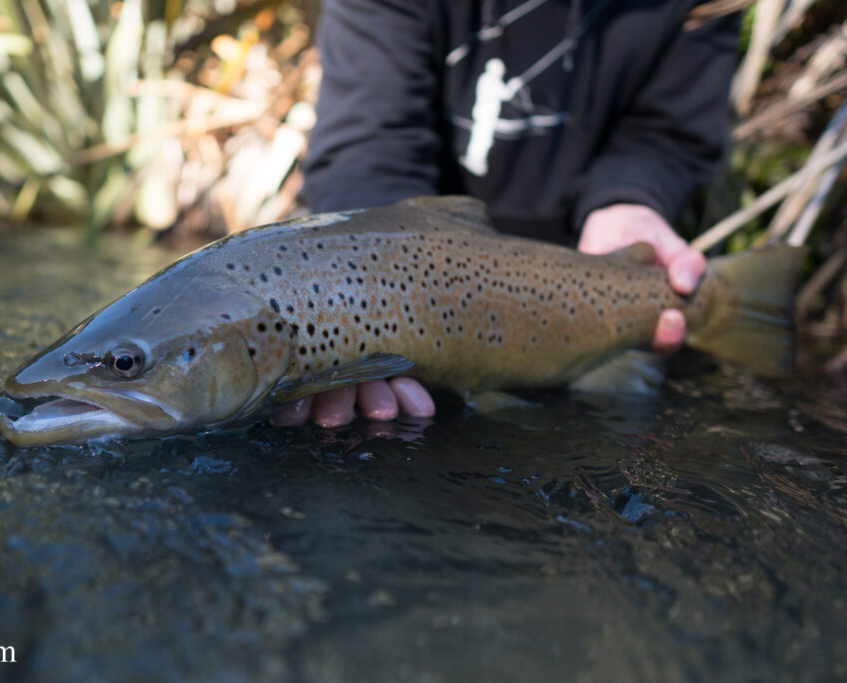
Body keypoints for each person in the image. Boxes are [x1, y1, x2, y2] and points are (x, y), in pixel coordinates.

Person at [274, 0, 741, 428]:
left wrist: (630, 198)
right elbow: (369, 145)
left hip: (590, 275)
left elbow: (666, 133)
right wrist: (364, 301)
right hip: (419, 279)